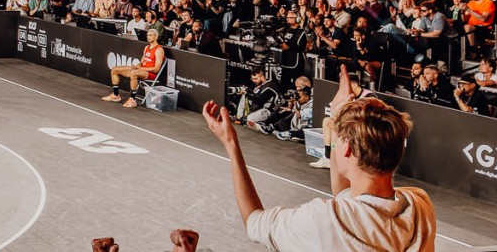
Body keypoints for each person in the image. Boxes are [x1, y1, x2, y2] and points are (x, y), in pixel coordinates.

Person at [202, 69, 435, 251]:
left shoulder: (321, 219)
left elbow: (254, 222)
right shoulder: (419, 205)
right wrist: (336, 117)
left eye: (339, 139)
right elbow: (346, 195)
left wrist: (231, 146)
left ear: (347, 149)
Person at [104, 30, 165, 109]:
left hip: (150, 74)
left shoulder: (159, 50)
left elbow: (156, 69)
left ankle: (132, 99)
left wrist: (139, 68)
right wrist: (136, 66)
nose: (148, 37)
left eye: (151, 35)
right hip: (141, 70)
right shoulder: (147, 47)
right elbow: (142, 62)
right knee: (115, 69)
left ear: (156, 37)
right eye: (148, 35)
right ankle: (116, 95)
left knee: (134, 73)